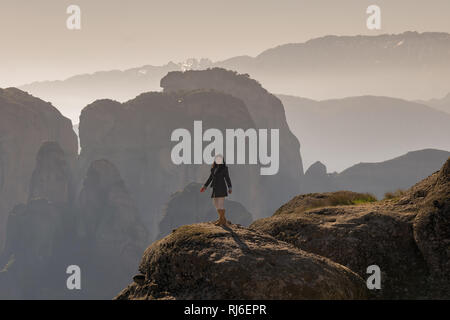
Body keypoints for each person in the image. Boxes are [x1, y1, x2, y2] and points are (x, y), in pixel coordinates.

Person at [200, 154, 232, 226]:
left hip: (222, 187)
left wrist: (230, 187)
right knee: (215, 204)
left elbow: (227, 178)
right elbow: (210, 178)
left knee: (220, 204)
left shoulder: (224, 168)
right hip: (215, 188)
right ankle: (222, 219)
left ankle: (221, 220)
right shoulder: (213, 168)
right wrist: (204, 186)